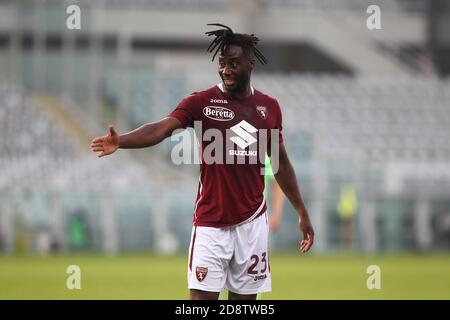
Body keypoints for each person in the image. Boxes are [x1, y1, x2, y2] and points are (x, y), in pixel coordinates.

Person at [90, 23, 314, 300]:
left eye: (233, 63)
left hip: (252, 224)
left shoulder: (268, 108)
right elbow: (161, 129)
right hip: (211, 225)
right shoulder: (202, 102)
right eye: (222, 63)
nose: (226, 70)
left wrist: (302, 211)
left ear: (251, 64)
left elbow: (280, 164)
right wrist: (121, 140)